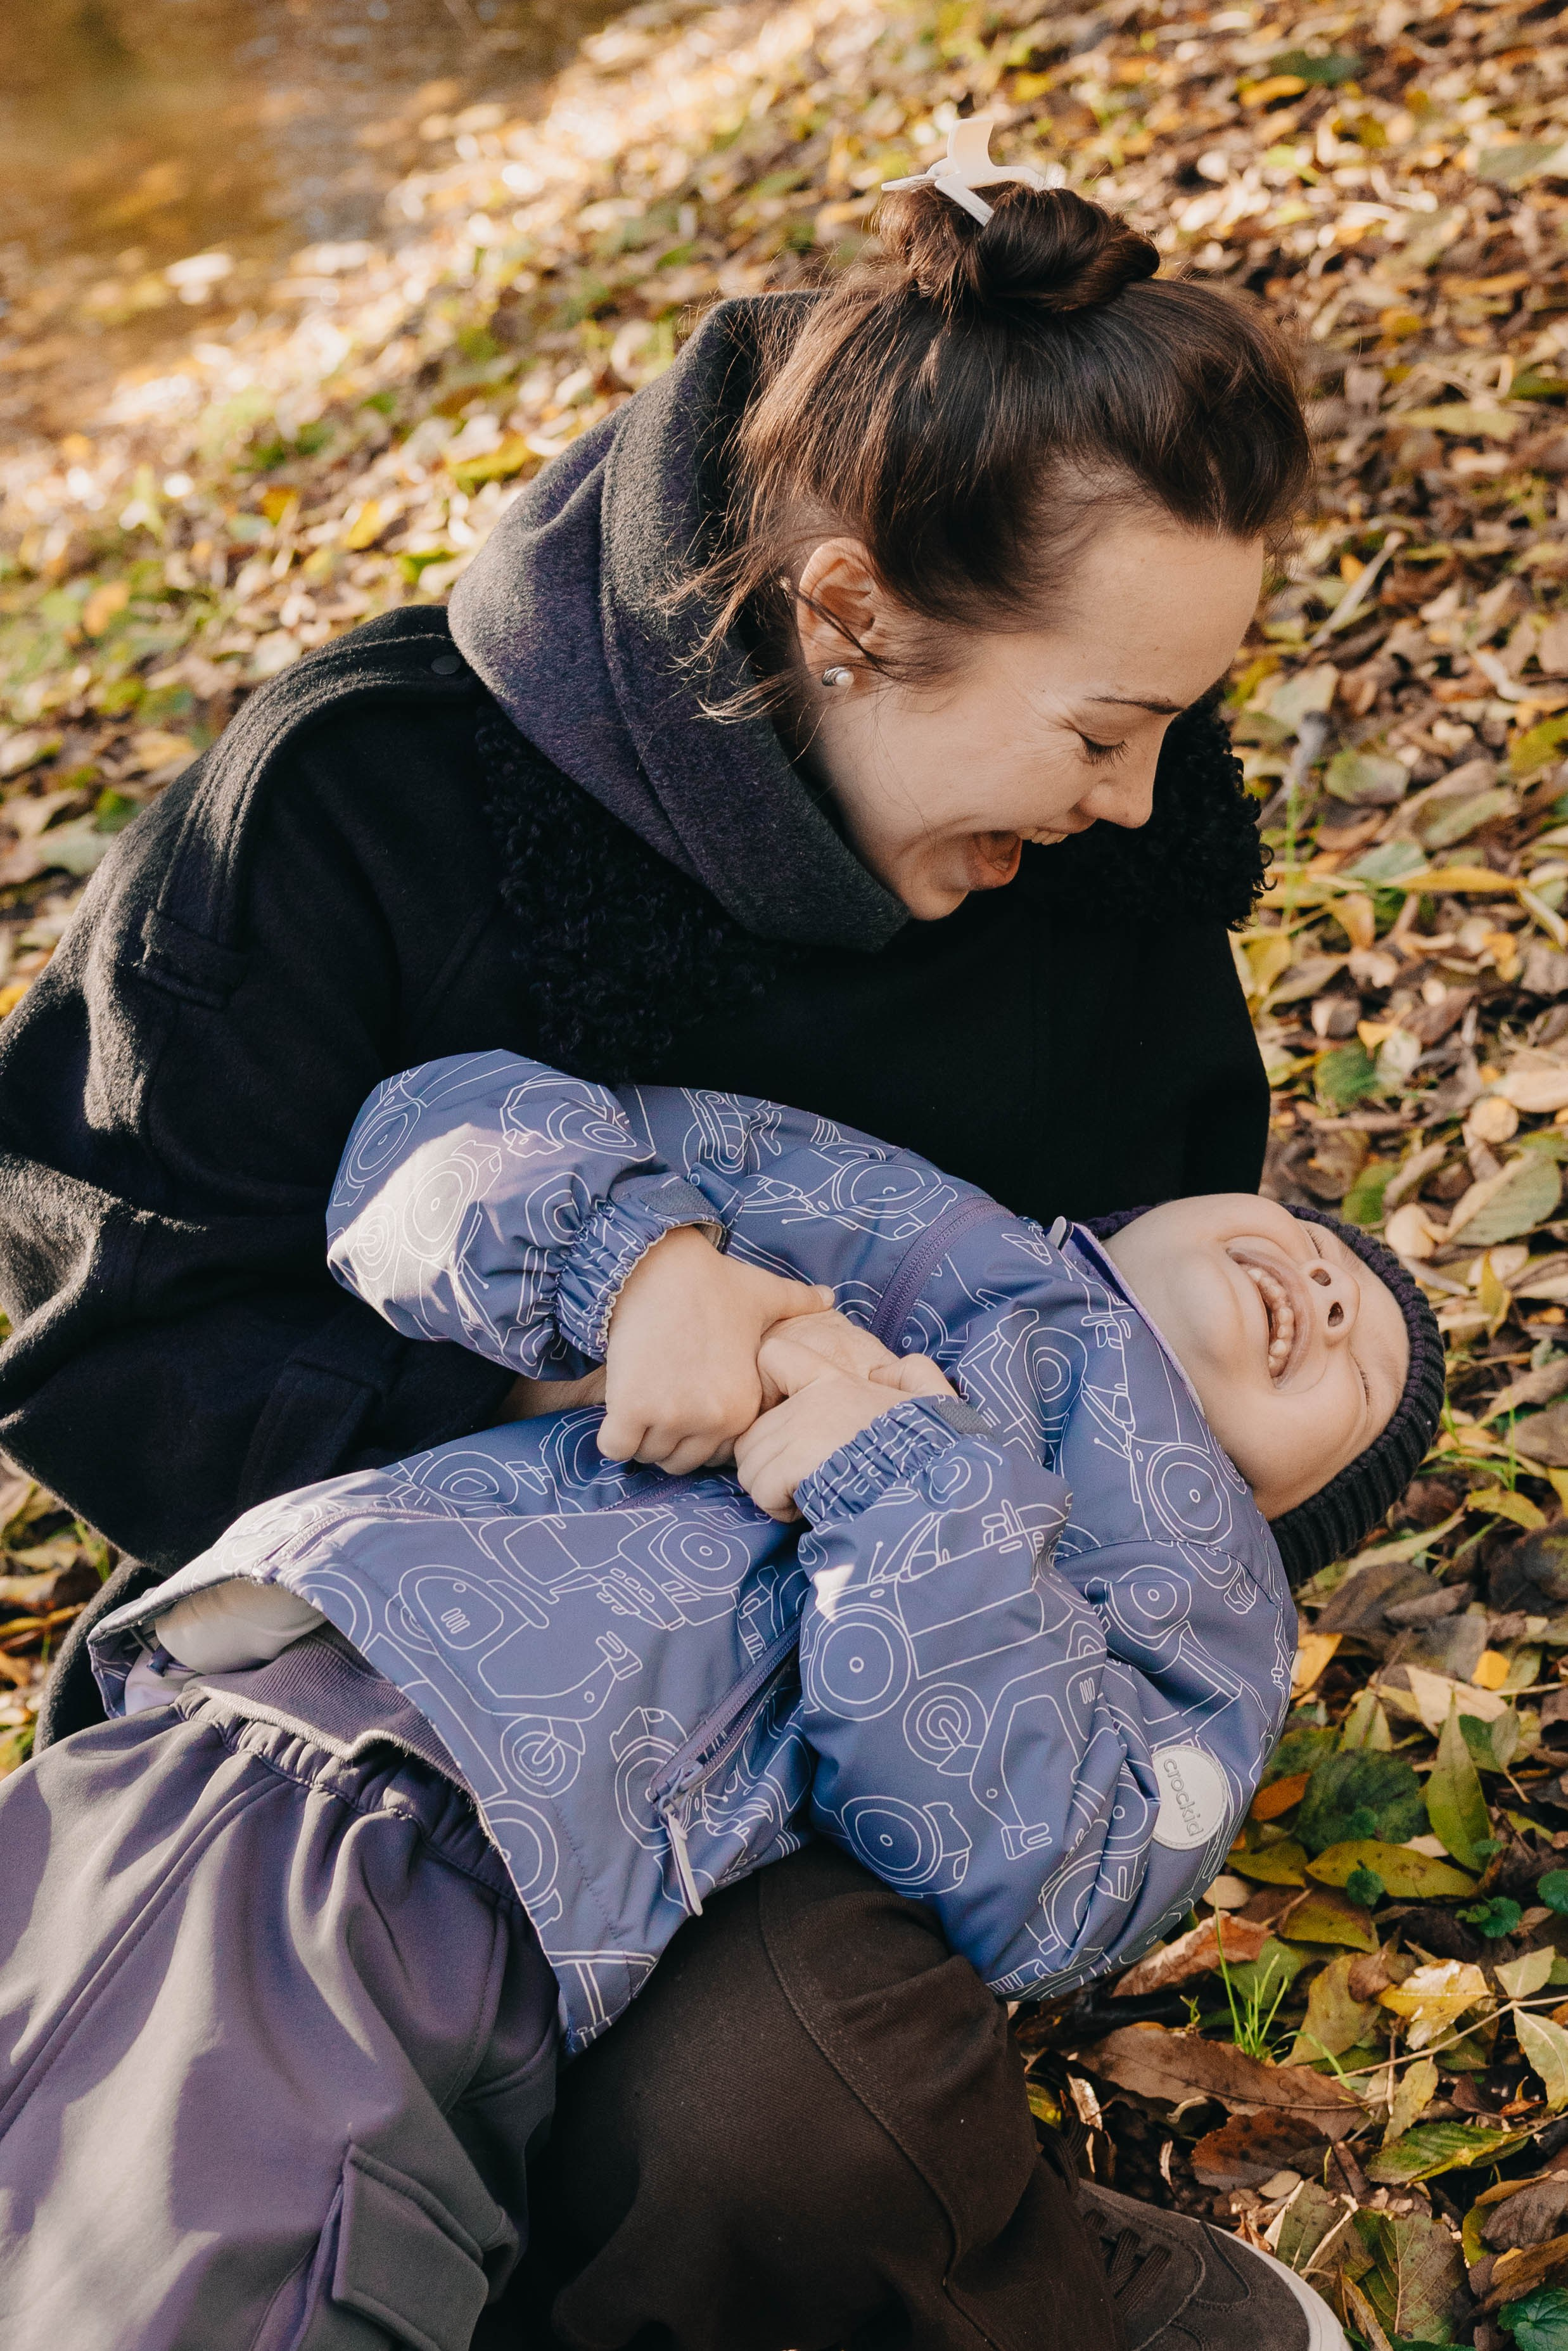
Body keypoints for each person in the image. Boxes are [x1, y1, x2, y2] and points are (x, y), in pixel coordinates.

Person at [0, 132, 1318, 2350]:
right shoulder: (355, 799)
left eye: (1169, 730)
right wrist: (576, 1394)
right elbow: (99, 1307)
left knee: (768, 2127)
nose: (1128, 802)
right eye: (1100, 731)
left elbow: (1134, 1294)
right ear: (842, 617)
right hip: (388, 1674)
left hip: (856, 1717)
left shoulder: (1104, 863)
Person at [0, 1051, 1444, 2351]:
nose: (1324, 1288)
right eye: (1323, 1246)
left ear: (1288, 1517)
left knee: (209, 2268)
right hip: (227, 1706)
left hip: (480, 1872)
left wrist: (910, 1488)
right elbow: (426, 1135)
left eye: (1360, 1360)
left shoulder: (1198, 1620)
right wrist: (640, 1264)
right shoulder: (891, 1210)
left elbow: (1035, 1884)